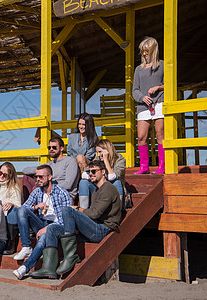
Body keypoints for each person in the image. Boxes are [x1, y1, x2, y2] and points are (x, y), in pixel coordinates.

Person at [24, 160, 121, 279]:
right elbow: (93, 214)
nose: (91, 174)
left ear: (103, 172)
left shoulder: (108, 189)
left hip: (102, 230)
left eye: (94, 171)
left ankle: (70, 255)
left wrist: (77, 208)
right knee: (53, 228)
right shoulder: (96, 190)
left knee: (68, 210)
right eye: (89, 172)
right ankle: (49, 268)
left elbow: (95, 213)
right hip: (93, 226)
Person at [12, 165, 72, 263]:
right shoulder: (37, 191)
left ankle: (25, 267)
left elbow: (65, 220)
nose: (38, 179)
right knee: (22, 210)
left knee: (42, 239)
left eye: (41, 177)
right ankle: (26, 246)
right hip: (41, 222)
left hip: (56, 226)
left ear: (50, 177)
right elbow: (24, 207)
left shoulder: (62, 193)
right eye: (36, 177)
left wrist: (46, 229)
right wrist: (36, 207)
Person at [133, 36, 165, 174]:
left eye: (146, 51)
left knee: (160, 134)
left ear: (153, 50)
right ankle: (144, 167)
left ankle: (162, 166)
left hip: (159, 102)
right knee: (141, 137)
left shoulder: (162, 65)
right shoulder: (138, 70)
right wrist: (142, 97)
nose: (144, 54)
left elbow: (169, 84)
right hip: (143, 106)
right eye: (142, 52)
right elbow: (135, 90)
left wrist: (158, 87)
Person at [22, 137, 79, 201]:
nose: (51, 149)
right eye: (49, 148)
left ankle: (33, 206)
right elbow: (25, 170)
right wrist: (38, 171)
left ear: (61, 148)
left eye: (54, 147)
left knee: (38, 187)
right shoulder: (49, 165)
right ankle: (27, 204)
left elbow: (68, 185)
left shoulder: (70, 161)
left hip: (64, 194)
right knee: (26, 177)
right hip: (47, 192)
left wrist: (48, 186)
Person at [78, 139, 126, 209]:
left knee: (116, 182)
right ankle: (83, 210)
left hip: (112, 191)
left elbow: (112, 177)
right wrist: (93, 176)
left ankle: (118, 211)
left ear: (107, 150)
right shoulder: (97, 158)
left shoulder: (119, 159)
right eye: (97, 152)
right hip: (99, 190)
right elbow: (84, 174)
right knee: (83, 182)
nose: (98, 155)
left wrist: (106, 160)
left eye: (100, 152)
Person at [0, 162, 22, 255]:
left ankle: (11, 242)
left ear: (10, 175)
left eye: (4, 175)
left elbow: (19, 205)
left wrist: (12, 204)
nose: (1, 176)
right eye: (0, 173)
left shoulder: (15, 188)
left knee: (12, 211)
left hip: (10, 217)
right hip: (0, 215)